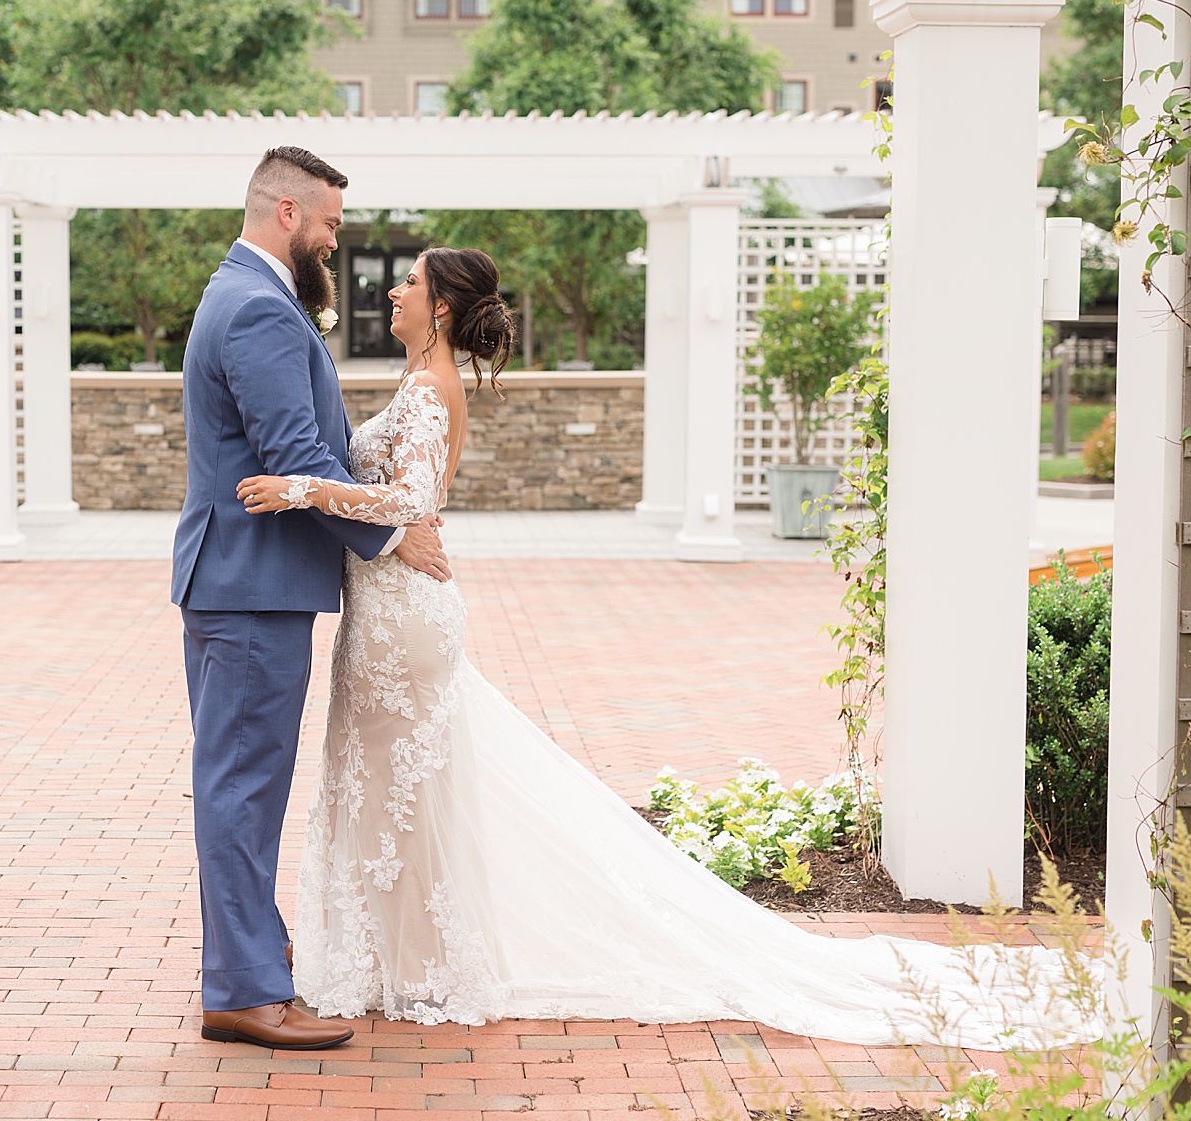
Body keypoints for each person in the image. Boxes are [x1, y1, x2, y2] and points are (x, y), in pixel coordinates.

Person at [234, 247, 1105, 1050]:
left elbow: (410, 496)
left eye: (410, 283)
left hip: (403, 625)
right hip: (387, 611)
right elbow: (404, 502)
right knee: (387, 789)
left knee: (405, 793)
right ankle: (390, 965)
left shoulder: (429, 392)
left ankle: (419, 975)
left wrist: (297, 487)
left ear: (444, 308)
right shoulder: (420, 379)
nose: (393, 290)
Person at [172, 146, 450, 1052]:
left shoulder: (247, 296)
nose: (335, 242)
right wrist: (393, 533)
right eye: (330, 224)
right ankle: (247, 990)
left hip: (241, 582)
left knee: (238, 785)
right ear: (287, 213)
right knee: (244, 789)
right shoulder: (257, 309)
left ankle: (248, 966)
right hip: (252, 589)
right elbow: (295, 452)